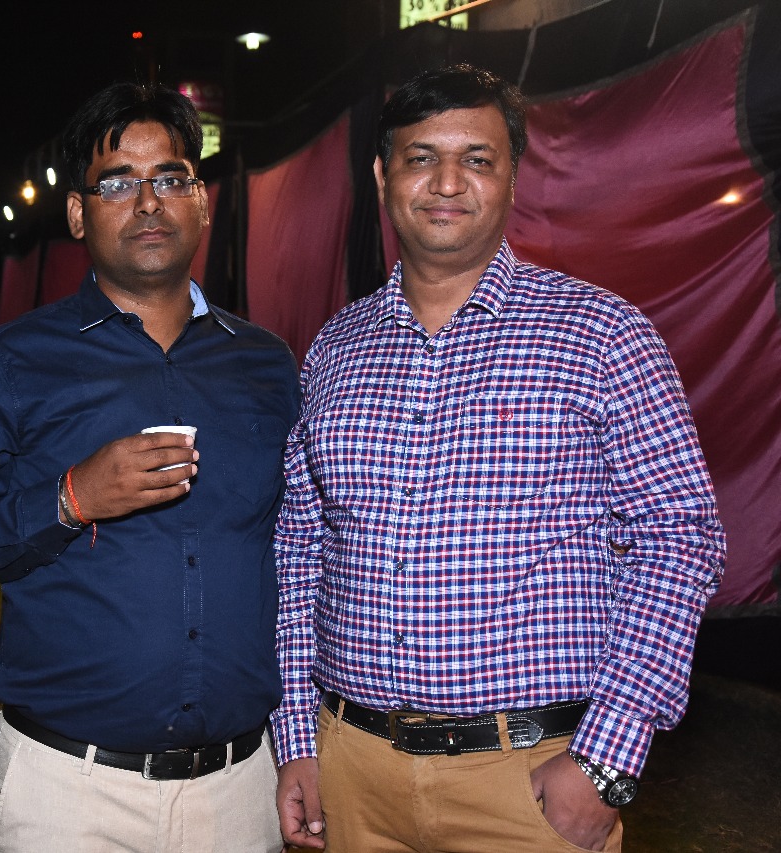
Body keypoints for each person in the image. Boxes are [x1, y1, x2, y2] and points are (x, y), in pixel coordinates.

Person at [271, 63, 726, 853]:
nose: (447, 182)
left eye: (477, 159)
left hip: (529, 783)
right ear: (382, 176)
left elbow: (679, 539)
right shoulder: (335, 347)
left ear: (513, 177)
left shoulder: (601, 336)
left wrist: (607, 762)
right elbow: (298, 548)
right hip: (352, 773)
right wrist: (296, 740)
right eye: (421, 157)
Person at [0, 82, 300, 853]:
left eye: (170, 178)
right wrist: (71, 497)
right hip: (68, 792)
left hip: (238, 787)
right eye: (118, 183)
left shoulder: (266, 364)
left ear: (202, 200)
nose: (149, 202)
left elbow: (301, 548)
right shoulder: (16, 358)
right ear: (76, 213)